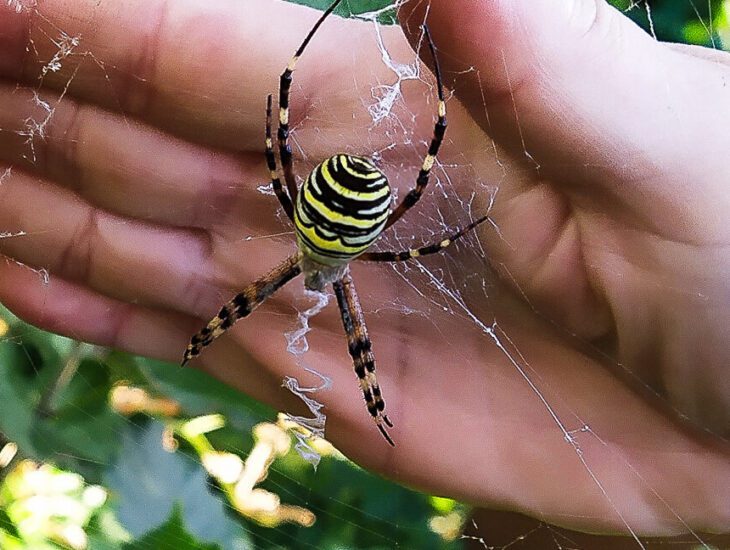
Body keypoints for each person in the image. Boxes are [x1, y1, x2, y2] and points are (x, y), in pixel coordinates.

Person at [0, 0, 728, 538]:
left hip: (323, 222)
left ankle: (303, 389)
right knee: (334, 349)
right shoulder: (362, 257)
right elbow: (403, 233)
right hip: (341, 223)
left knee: (234, 311)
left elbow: (321, 185)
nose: (317, 297)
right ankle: (367, 411)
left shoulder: (296, 246)